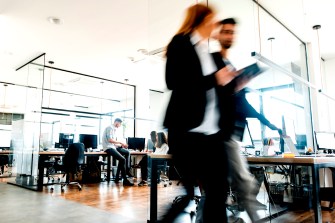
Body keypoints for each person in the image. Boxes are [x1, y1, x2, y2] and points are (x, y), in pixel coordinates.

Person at [160, 3, 241, 223]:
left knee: (218, 191)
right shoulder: (181, 43)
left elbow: (212, 91)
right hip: (187, 131)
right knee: (190, 196)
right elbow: (173, 82)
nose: (215, 25)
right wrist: (214, 79)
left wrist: (232, 83)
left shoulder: (205, 51)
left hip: (211, 133)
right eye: (212, 20)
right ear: (202, 21)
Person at [216, 17, 283, 221]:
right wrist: (236, 80)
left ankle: (229, 216)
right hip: (220, 134)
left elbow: (249, 108)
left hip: (231, 135)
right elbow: (218, 93)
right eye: (225, 31)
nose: (229, 35)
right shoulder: (216, 62)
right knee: (243, 182)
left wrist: (269, 124)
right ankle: (250, 216)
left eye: (232, 32)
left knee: (222, 186)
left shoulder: (231, 72)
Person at [102, 118, 134, 186]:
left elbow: (113, 142)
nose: (119, 126)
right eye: (119, 124)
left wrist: (122, 145)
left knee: (127, 152)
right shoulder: (110, 128)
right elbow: (110, 140)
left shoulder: (114, 129)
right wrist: (120, 142)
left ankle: (124, 171)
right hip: (108, 148)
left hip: (113, 147)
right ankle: (125, 180)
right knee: (122, 159)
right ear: (117, 122)